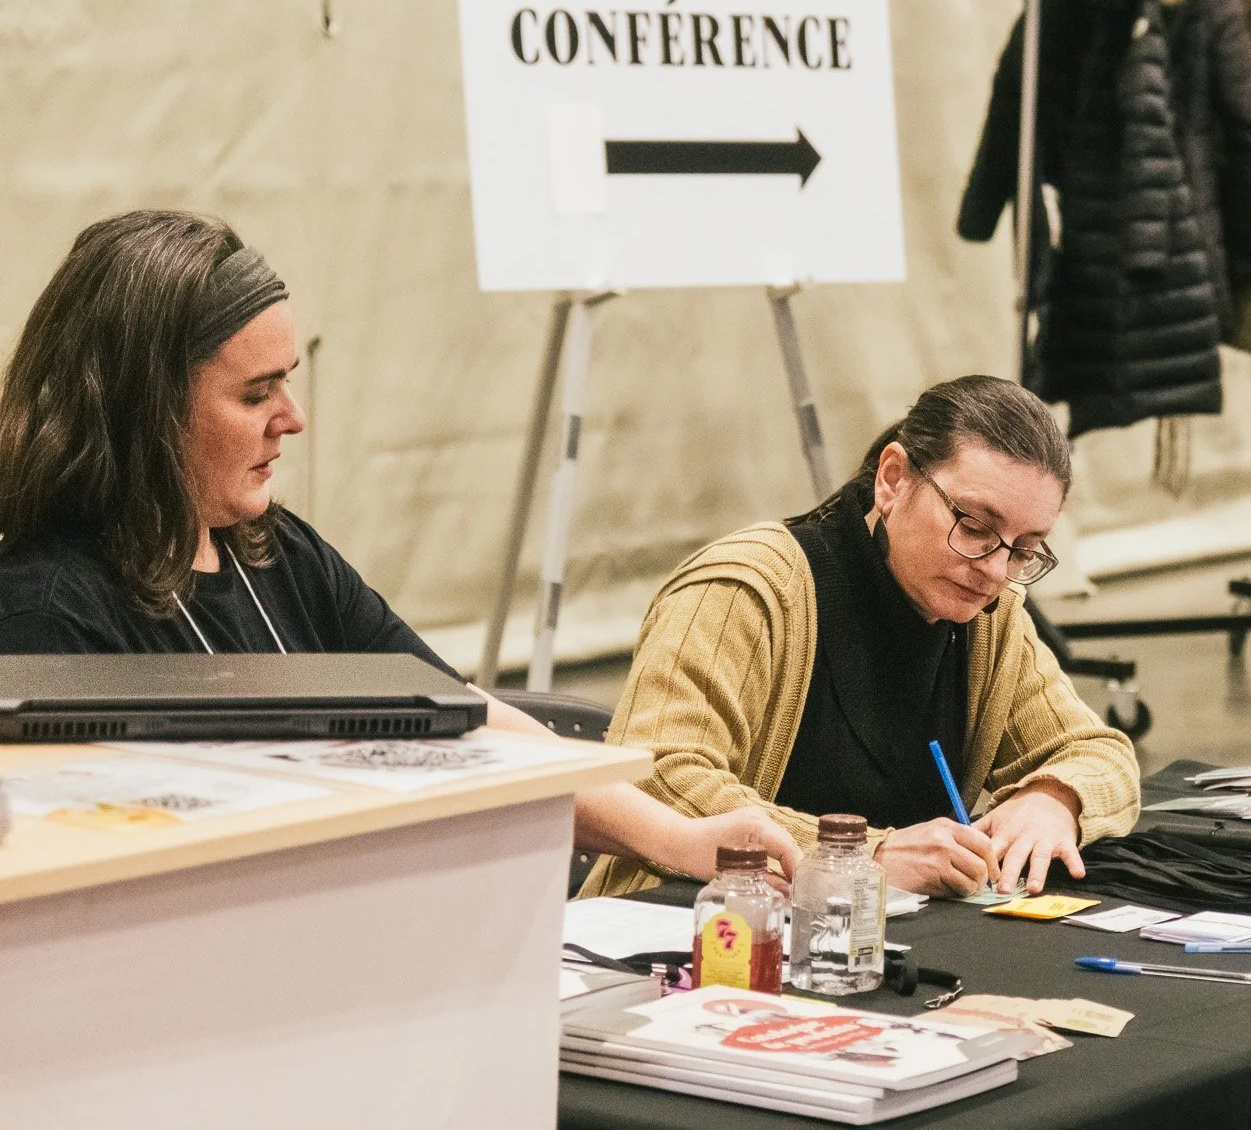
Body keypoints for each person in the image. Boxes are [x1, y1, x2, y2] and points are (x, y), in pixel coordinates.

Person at [0, 210, 799, 884]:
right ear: (145, 413)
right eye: (255, 394)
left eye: (288, 378)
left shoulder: (276, 552)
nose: (294, 416)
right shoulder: (47, 609)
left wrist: (680, 839)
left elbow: (457, 714)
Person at [582, 375, 1140, 901]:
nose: (995, 569)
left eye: (1024, 548)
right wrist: (862, 856)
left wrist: (1055, 799)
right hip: (685, 941)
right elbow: (656, 779)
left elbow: (1096, 752)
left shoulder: (991, 615)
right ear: (893, 478)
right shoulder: (745, 589)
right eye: (973, 526)